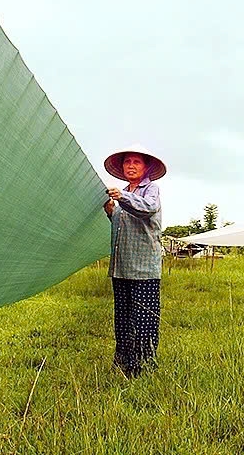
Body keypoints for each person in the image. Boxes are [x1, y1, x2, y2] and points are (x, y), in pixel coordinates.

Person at [102, 144, 166, 378]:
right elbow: (123, 226)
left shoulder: (151, 189)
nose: (131, 165)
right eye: (127, 162)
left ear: (145, 167)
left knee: (144, 319)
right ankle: (123, 362)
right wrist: (111, 212)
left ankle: (143, 367)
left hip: (144, 269)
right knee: (123, 318)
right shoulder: (122, 195)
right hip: (121, 268)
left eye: (136, 162)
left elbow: (148, 210)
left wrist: (122, 198)